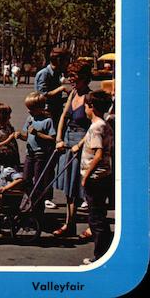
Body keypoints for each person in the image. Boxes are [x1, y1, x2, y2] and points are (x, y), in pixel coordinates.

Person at [70, 90, 114, 264]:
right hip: (103, 176)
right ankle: (107, 248)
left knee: (95, 218)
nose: (85, 110)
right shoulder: (102, 124)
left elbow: (98, 154)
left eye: (86, 106)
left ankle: (100, 255)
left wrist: (85, 176)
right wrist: (79, 146)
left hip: (94, 177)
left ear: (92, 107)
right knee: (99, 215)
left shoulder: (96, 127)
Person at [52, 61, 93, 237]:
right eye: (70, 76)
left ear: (84, 77)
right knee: (69, 186)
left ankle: (93, 225)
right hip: (68, 140)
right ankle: (70, 224)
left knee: (82, 187)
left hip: (82, 142)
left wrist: (80, 144)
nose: (70, 80)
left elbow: (94, 126)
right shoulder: (73, 93)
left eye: (74, 76)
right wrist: (59, 138)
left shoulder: (90, 97)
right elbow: (63, 116)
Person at [34, 47, 70, 209]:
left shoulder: (56, 74)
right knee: (45, 157)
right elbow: (41, 94)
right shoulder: (44, 74)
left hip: (55, 115)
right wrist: (60, 90)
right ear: (59, 61)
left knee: (52, 158)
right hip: (46, 118)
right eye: (66, 60)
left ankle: (46, 193)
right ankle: (42, 195)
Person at [15, 91, 56, 217]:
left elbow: (52, 138)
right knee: (26, 180)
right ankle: (28, 203)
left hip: (41, 155)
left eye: (31, 109)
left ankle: (38, 210)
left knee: (39, 182)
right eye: (28, 108)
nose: (29, 111)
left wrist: (38, 134)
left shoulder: (47, 121)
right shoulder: (30, 119)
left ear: (40, 108)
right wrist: (19, 135)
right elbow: (26, 135)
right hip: (30, 154)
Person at [0, 103, 19, 179]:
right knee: (0, 174)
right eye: (8, 115)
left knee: (13, 174)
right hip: (1, 156)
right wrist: (9, 139)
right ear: (1, 117)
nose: (10, 117)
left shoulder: (8, 126)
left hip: (11, 154)